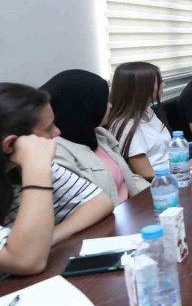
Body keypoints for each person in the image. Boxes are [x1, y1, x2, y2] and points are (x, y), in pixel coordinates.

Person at [0, 83, 114, 276]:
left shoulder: (28, 164)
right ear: (11, 144)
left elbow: (99, 202)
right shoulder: (35, 164)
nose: (57, 132)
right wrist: (35, 169)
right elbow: (28, 261)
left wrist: (46, 240)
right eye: (48, 128)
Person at [41, 70, 150, 206]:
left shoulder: (98, 134)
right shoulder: (56, 152)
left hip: (132, 209)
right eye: (105, 100)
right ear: (84, 105)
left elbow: (127, 178)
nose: (110, 105)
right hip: (111, 216)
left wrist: (156, 192)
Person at [106, 62, 170, 180]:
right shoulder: (127, 126)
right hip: (159, 184)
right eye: (160, 81)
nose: (164, 85)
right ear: (142, 88)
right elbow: (147, 174)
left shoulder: (147, 110)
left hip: (171, 173)